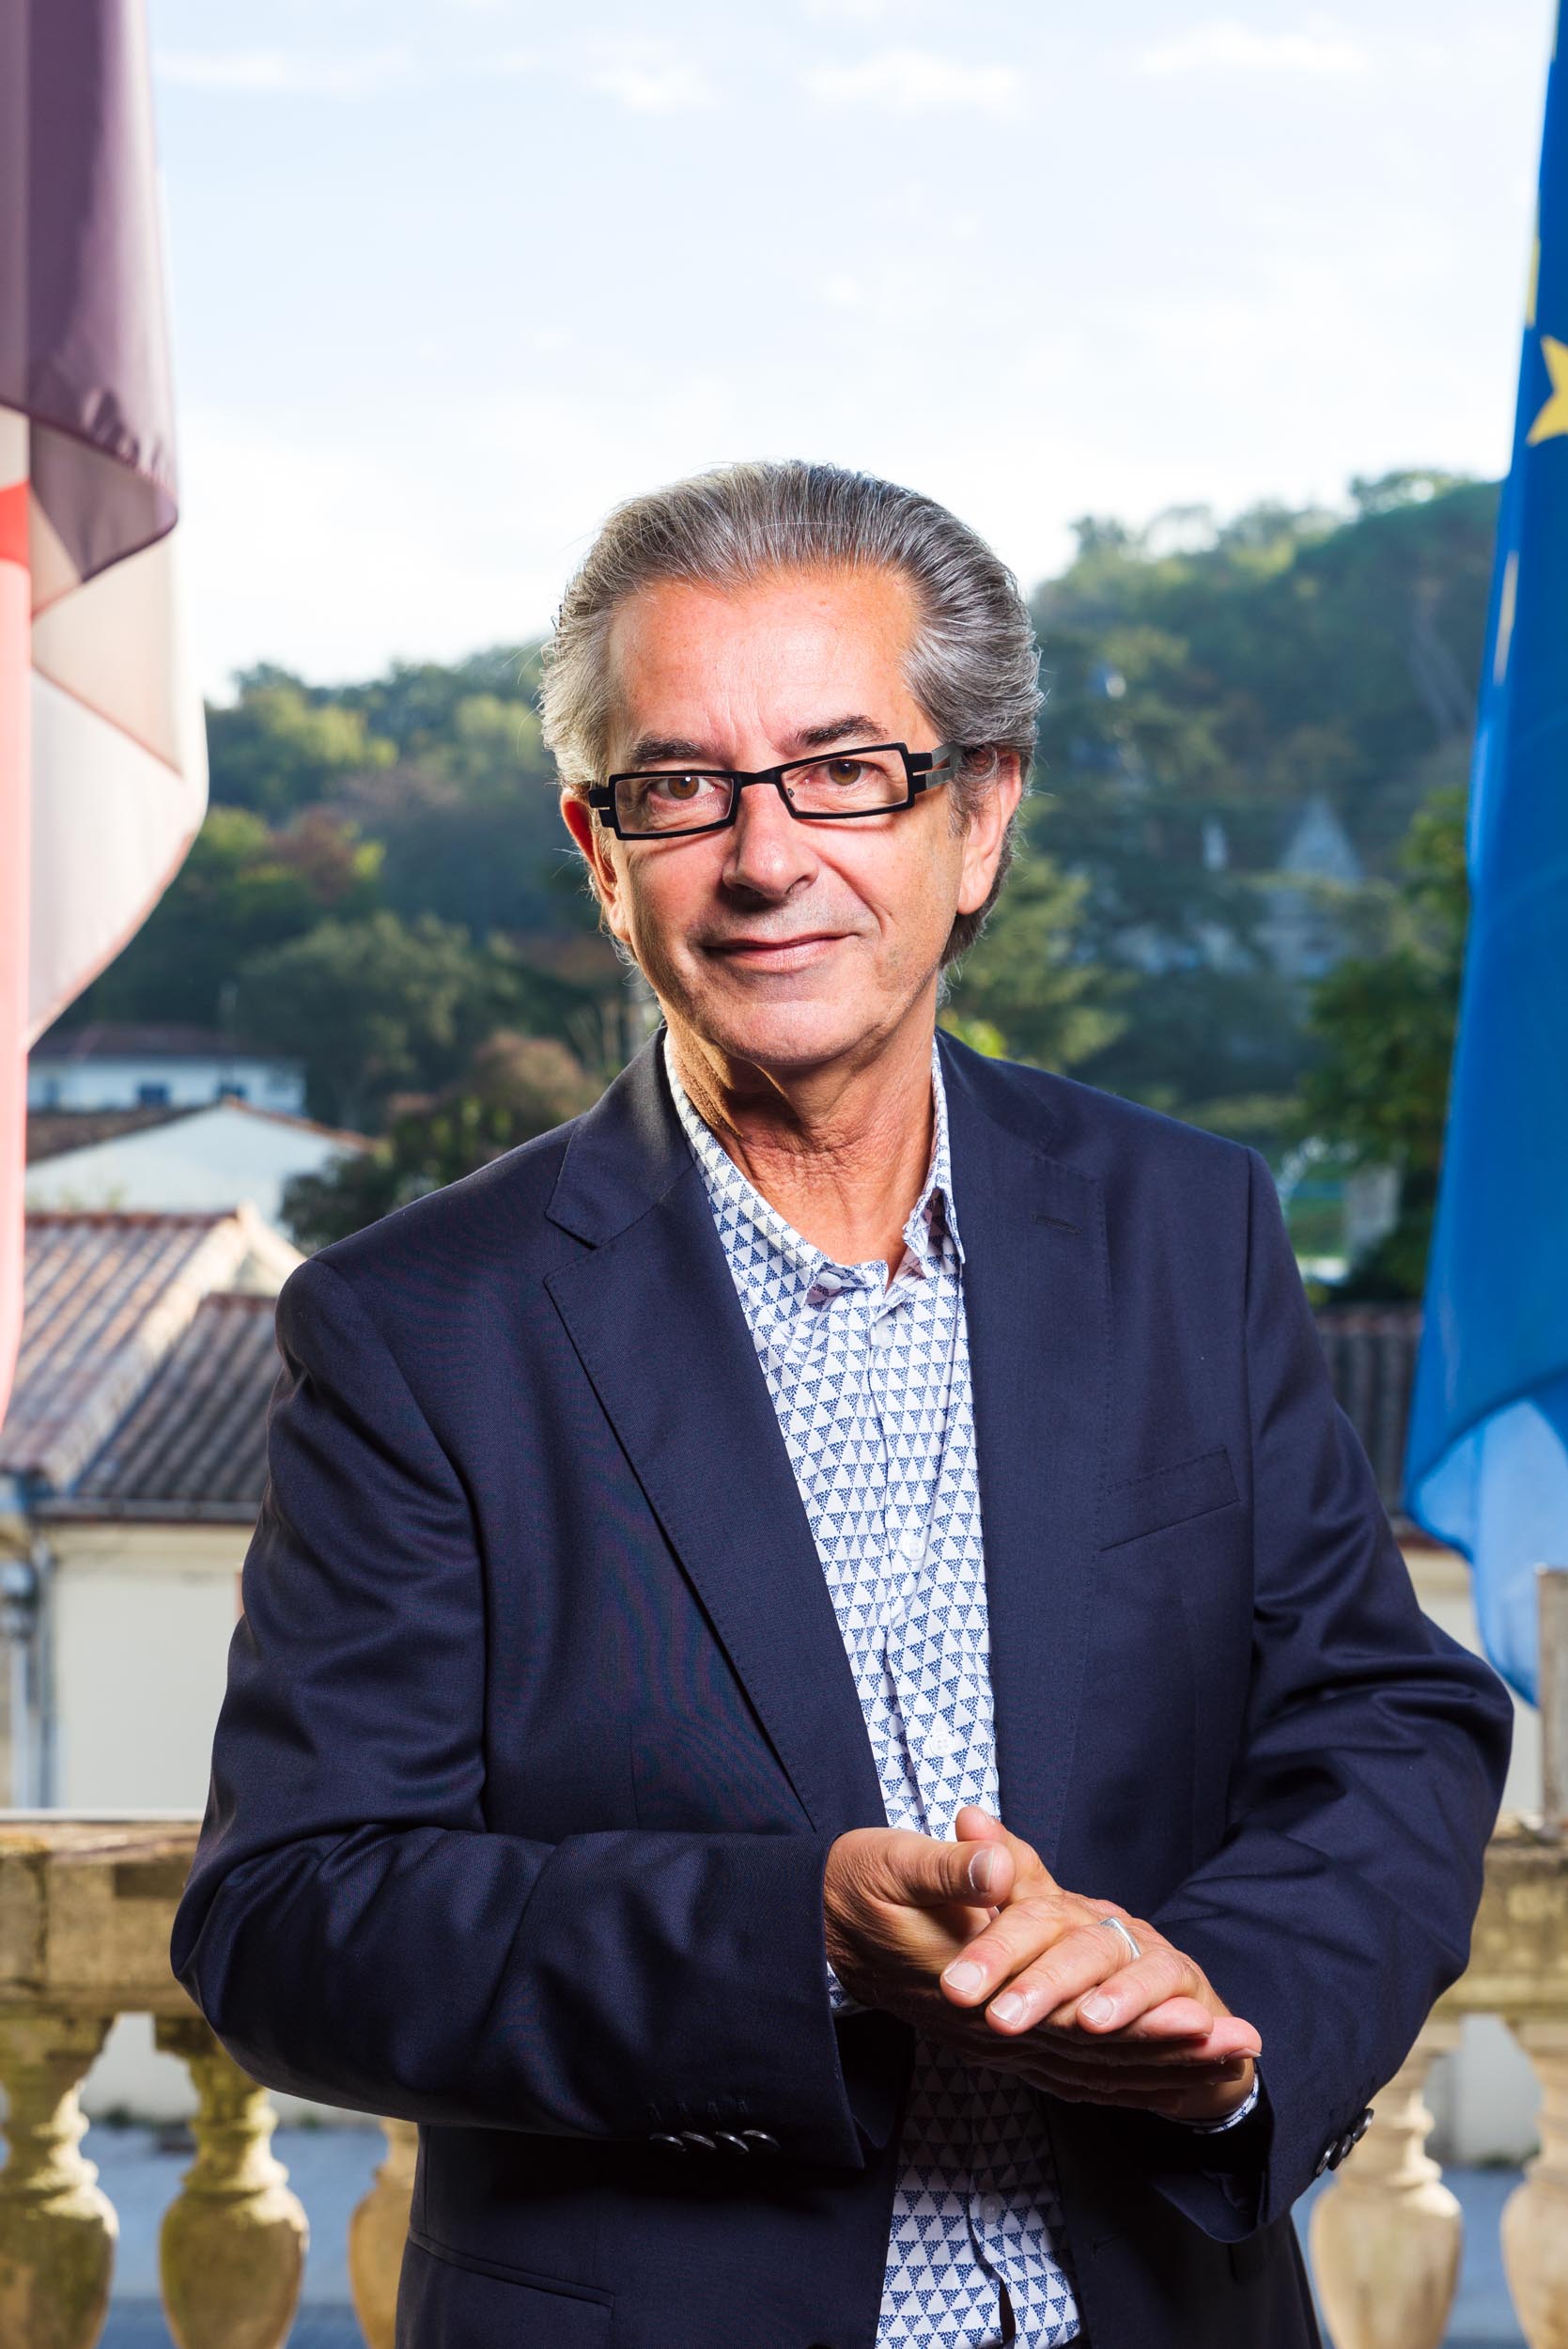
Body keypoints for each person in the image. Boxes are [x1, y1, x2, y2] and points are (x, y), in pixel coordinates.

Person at [172, 460, 1512, 2349]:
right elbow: (292, 1913)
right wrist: (787, 1930)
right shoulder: (418, 1327)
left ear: (975, 818)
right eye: (682, 786)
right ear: (601, 851)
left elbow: (1386, 1719)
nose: (765, 850)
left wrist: (1216, 2016)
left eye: (842, 768)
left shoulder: (1181, 1224)